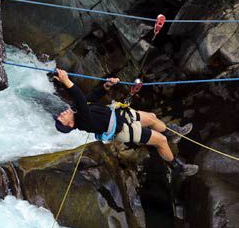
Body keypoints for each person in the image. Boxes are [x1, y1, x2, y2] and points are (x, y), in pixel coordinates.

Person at [53, 69, 198, 177]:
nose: (61, 114)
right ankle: (177, 167)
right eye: (61, 119)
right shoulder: (82, 122)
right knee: (161, 141)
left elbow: (91, 96)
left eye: (59, 115)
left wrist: (107, 86)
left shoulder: (76, 110)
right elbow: (80, 99)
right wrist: (66, 81)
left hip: (119, 115)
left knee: (153, 117)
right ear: (70, 125)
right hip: (123, 129)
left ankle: (171, 133)